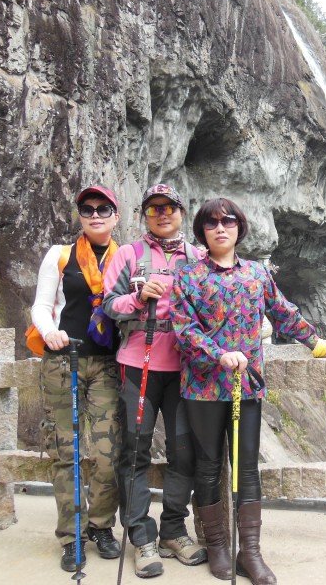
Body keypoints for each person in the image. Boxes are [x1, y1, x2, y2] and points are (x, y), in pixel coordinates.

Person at [170, 198, 326, 583]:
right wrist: (219, 354)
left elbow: (282, 312)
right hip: (202, 386)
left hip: (246, 386)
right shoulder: (188, 276)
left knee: (246, 467)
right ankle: (218, 546)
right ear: (201, 231)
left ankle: (250, 552)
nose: (220, 228)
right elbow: (184, 330)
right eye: (211, 223)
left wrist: (317, 344)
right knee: (209, 466)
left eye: (228, 221)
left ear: (239, 227)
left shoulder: (256, 274)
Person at [103, 184, 205, 579]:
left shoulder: (198, 257)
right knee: (135, 451)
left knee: (184, 452)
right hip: (137, 364)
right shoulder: (128, 255)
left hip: (184, 367)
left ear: (181, 212)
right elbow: (109, 304)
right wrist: (138, 297)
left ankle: (173, 531)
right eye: (153, 209)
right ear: (144, 215)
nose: (162, 214)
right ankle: (141, 536)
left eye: (169, 208)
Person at [31, 185, 123, 572]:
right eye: (88, 209)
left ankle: (101, 526)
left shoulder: (125, 258)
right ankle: (72, 535)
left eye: (103, 208)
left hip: (106, 363)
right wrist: (49, 331)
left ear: (116, 215)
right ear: (80, 216)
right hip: (63, 359)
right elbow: (41, 304)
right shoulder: (60, 255)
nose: (95, 215)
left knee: (107, 451)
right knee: (65, 450)